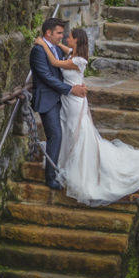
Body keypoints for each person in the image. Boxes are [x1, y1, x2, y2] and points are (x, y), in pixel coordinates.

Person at [33, 28, 139, 206]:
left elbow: (54, 62)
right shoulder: (71, 54)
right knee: (67, 128)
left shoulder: (78, 60)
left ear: (77, 40)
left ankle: (79, 165)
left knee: (76, 129)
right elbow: (60, 48)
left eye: (70, 37)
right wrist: (51, 41)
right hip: (67, 99)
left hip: (74, 101)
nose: (67, 38)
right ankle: (65, 159)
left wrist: (42, 43)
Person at [29, 18, 89, 190]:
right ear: (49, 33)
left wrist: (76, 87)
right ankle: (51, 177)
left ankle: (59, 169)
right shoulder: (39, 51)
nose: (62, 37)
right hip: (49, 99)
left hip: (62, 99)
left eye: (64, 34)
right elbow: (46, 77)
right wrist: (71, 90)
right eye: (59, 33)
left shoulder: (55, 48)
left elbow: (59, 68)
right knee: (55, 135)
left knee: (64, 134)